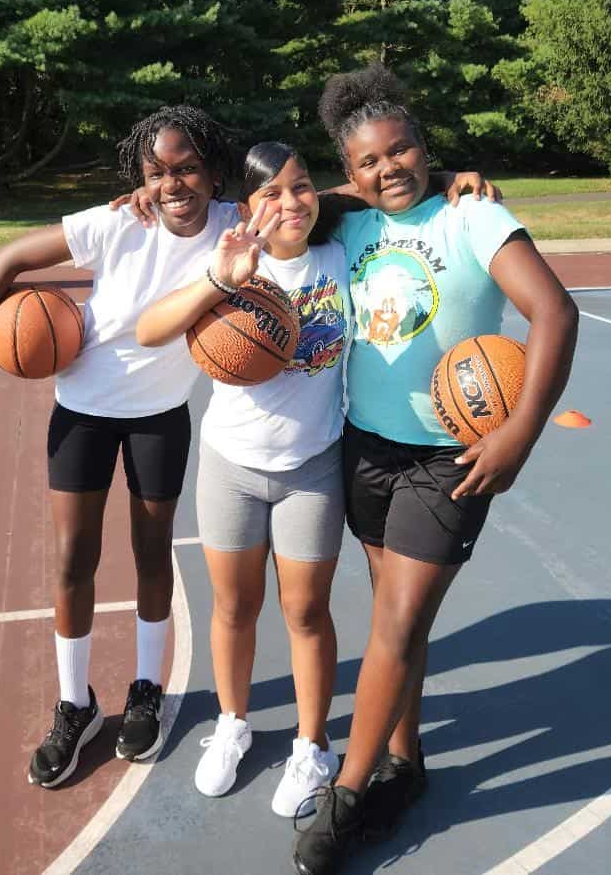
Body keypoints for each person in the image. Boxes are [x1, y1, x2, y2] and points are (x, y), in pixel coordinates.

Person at [291, 64, 578, 875]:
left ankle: (344, 801)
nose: (390, 169)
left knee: (398, 624)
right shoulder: (346, 225)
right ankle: (405, 766)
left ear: (425, 145)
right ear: (349, 174)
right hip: (366, 446)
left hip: (450, 457)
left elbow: (556, 311)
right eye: (369, 162)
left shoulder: (474, 217)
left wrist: (520, 435)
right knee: (394, 618)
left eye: (403, 150)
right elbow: (274, 209)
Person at [0, 106, 241, 788]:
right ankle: (74, 703)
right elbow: (12, 258)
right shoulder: (117, 222)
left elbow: (310, 196)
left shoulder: (233, 222)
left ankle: (145, 690)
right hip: (81, 411)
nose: (173, 182)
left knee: (151, 554)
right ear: (141, 176)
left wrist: (448, 181)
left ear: (213, 170)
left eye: (187, 167)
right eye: (157, 170)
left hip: (159, 416)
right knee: (75, 558)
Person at [136, 142, 350, 817]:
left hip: (313, 466)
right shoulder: (228, 265)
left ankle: (313, 746)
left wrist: (458, 177)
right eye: (272, 193)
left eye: (302, 187)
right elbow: (149, 329)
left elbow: (380, 188)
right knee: (233, 607)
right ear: (246, 209)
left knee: (306, 612)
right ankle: (233, 723)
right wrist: (221, 279)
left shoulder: (343, 255)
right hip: (231, 465)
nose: (290, 202)